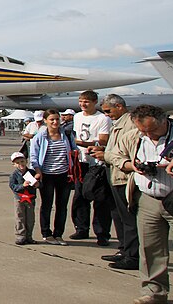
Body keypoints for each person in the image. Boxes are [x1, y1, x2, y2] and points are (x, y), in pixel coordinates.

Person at [111, 104, 173, 304]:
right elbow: (113, 154)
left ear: (164, 121)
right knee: (150, 250)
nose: (148, 135)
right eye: (143, 131)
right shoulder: (134, 136)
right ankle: (154, 292)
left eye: (152, 130)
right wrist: (130, 165)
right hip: (148, 199)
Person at [100, 94, 140, 270]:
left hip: (124, 176)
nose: (107, 115)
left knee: (129, 217)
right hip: (115, 174)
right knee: (119, 215)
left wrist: (105, 155)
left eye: (108, 111)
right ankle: (124, 249)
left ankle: (132, 255)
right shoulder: (118, 123)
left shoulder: (130, 123)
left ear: (119, 106)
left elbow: (126, 152)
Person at [70, 90, 113, 244]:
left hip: (97, 163)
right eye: (81, 101)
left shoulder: (102, 118)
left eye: (86, 102)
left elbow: (103, 140)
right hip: (81, 162)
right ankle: (81, 228)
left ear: (95, 102)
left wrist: (81, 143)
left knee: (100, 198)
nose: (83, 104)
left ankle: (102, 233)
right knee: (80, 197)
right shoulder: (77, 116)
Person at [29, 109, 75, 246]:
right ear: (45, 120)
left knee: (62, 206)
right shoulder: (40, 137)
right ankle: (46, 233)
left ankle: (58, 234)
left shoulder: (66, 135)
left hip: (64, 174)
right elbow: (33, 157)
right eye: (52, 119)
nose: (55, 122)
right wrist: (38, 171)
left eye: (57, 119)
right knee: (47, 205)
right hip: (47, 175)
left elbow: (74, 150)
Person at [9, 151, 37, 245]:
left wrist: (37, 184)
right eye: (17, 163)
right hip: (19, 199)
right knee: (20, 217)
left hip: (30, 199)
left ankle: (29, 236)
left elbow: (40, 184)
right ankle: (20, 236)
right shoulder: (14, 175)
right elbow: (12, 186)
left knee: (30, 218)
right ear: (14, 164)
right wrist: (22, 186)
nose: (20, 164)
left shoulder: (32, 172)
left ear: (26, 161)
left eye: (22, 161)